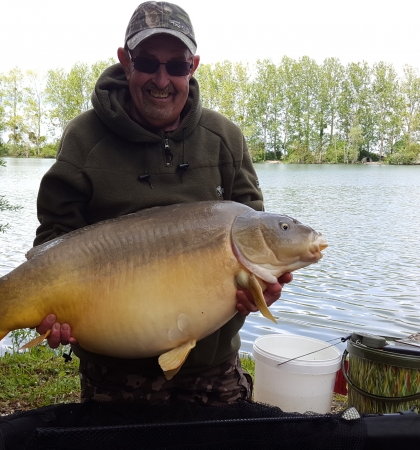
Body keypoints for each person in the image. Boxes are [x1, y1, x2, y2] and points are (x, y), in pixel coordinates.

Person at [33, 1, 291, 406]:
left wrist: (265, 287)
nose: (161, 79)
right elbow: (54, 236)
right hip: (114, 371)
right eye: (148, 62)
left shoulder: (224, 138)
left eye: (177, 66)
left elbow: (257, 232)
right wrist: (51, 313)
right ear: (125, 60)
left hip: (211, 363)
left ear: (194, 66)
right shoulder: (85, 139)